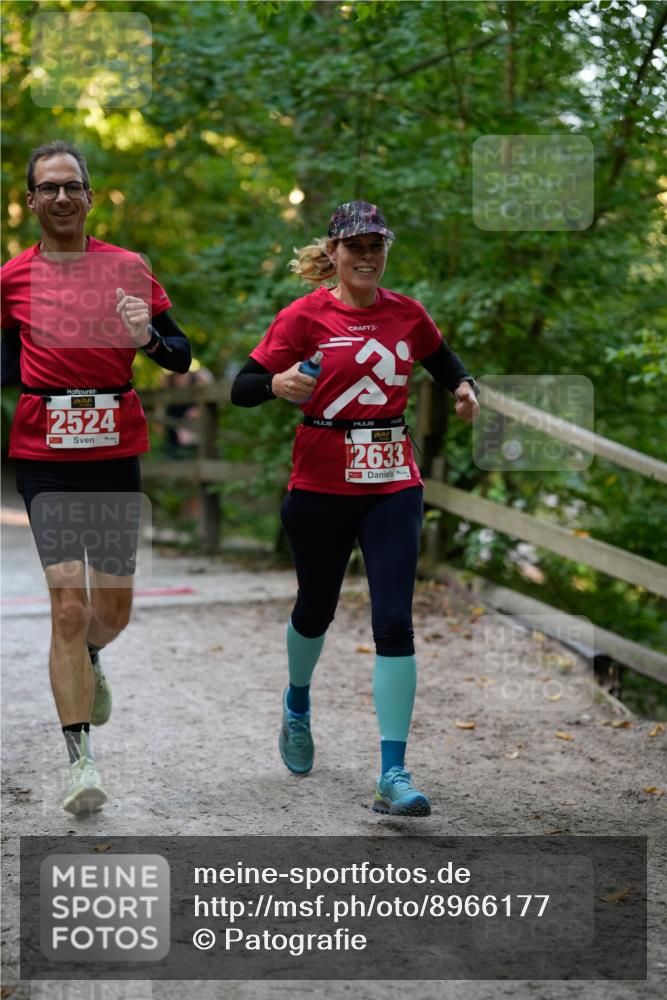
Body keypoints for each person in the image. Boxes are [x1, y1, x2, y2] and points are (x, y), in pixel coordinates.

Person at [231, 200, 479, 816]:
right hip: (319, 484)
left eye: (376, 246)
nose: (367, 257)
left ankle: (392, 773)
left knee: (394, 620)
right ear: (334, 253)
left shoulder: (406, 313)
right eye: (356, 247)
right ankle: (296, 702)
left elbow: (441, 357)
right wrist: (276, 384)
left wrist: (465, 387)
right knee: (316, 608)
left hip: (393, 481)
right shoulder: (305, 315)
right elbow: (241, 387)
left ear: (385, 252)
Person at [1, 140, 191, 816]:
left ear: (88, 195)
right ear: (30, 201)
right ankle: (80, 761)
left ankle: (92, 660)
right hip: (45, 455)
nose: (59, 197)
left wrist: (146, 340)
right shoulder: (12, 278)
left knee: (111, 610)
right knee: (69, 607)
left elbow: (178, 352)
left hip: (113, 453)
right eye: (46, 187)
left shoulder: (127, 267)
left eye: (70, 186)